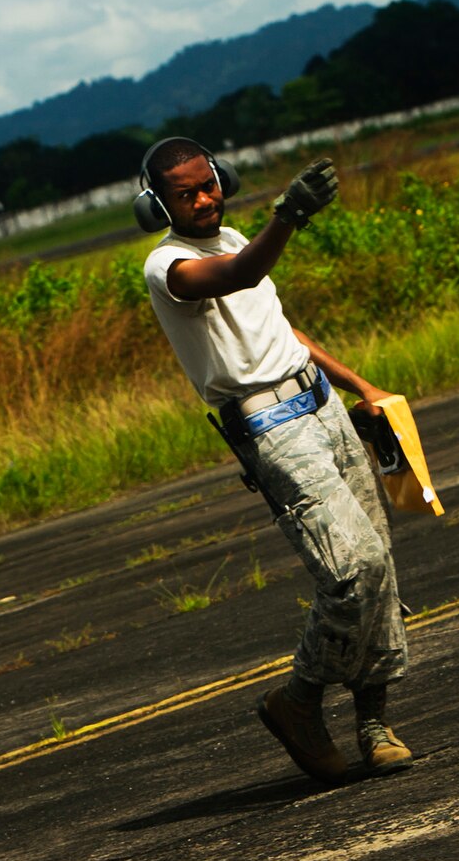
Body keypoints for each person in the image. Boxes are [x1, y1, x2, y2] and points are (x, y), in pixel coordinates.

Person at [137, 138, 413, 784]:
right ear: (157, 206)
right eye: (186, 193)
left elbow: (286, 334)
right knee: (353, 569)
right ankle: (299, 696)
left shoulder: (233, 231)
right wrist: (288, 216)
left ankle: (374, 724)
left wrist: (360, 388)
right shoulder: (167, 264)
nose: (205, 198)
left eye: (209, 184)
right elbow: (238, 276)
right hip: (269, 428)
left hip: (322, 406)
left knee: (380, 561)